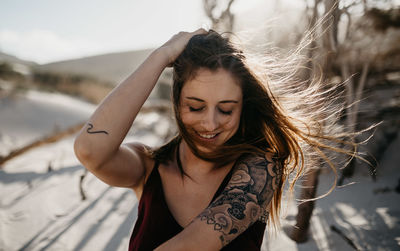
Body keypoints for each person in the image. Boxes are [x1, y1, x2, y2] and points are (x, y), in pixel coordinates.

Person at [74, 29, 346, 250]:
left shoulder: (260, 168)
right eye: (195, 107)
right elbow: (89, 149)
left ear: (242, 107)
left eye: (226, 110)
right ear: (177, 101)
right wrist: (160, 57)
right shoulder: (148, 166)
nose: (211, 123)